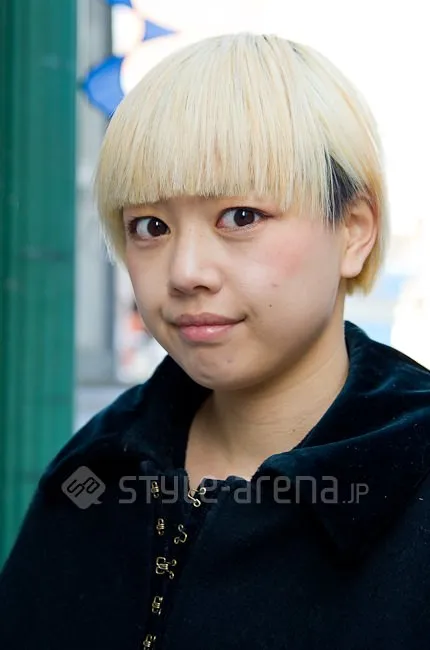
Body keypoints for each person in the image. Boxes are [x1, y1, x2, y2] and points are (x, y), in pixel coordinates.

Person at [1, 32, 430, 650]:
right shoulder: (95, 467)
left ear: (354, 230)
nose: (185, 272)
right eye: (150, 226)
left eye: (241, 217)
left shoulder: (411, 475)